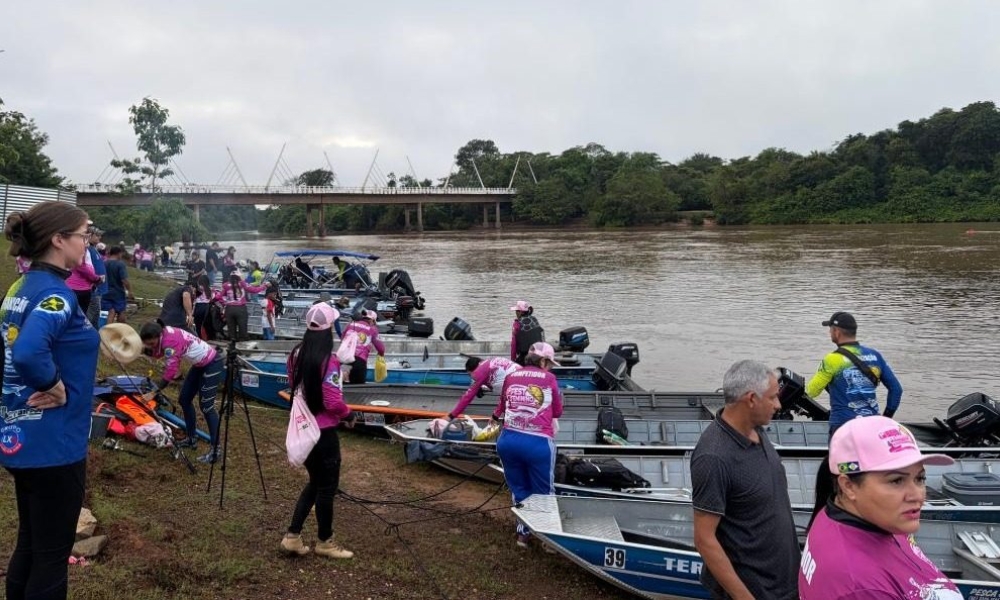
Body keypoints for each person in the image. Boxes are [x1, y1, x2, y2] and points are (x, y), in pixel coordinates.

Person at [0, 201, 100, 600]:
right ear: (59, 240)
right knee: (51, 559)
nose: (88, 243)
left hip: (19, 436)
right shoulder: (57, 297)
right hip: (55, 445)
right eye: (83, 235)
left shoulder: (18, 288)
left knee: (30, 545)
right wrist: (54, 383)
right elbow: (26, 352)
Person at [799, 416, 961, 599]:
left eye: (920, 478)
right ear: (848, 486)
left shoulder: (863, 517)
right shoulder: (861, 587)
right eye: (896, 480)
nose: (917, 495)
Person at [691, 360, 799, 600]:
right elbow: (704, 539)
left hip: (784, 583)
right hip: (755, 591)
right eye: (772, 398)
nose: (778, 405)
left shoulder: (757, 430)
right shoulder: (714, 457)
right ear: (751, 399)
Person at [279, 303, 355, 559]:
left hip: (304, 430)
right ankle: (325, 541)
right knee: (326, 488)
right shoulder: (329, 361)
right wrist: (348, 414)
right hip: (324, 434)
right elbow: (332, 401)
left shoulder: (295, 353)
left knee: (315, 482)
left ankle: (293, 536)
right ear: (329, 329)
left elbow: (294, 384)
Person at [493, 341, 563, 547]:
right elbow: (557, 412)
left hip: (508, 441)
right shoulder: (550, 378)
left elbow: (503, 405)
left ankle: (523, 535)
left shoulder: (511, 376)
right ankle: (548, 539)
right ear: (542, 361)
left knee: (519, 488)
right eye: (549, 362)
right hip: (537, 443)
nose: (550, 367)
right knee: (544, 491)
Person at [139, 321, 224, 463]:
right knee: (184, 400)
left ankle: (216, 450)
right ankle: (191, 439)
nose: (151, 346)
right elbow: (159, 352)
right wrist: (144, 350)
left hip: (212, 364)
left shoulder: (170, 341)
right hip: (199, 364)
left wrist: (154, 392)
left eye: (152, 343)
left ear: (158, 335)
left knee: (207, 407)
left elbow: (171, 371)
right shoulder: (163, 333)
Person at [806, 311, 903, 435]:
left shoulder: (832, 359)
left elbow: (812, 392)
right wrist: (885, 419)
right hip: (871, 426)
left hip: (843, 427)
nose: (829, 333)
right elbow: (896, 389)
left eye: (830, 329)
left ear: (837, 332)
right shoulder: (875, 355)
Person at [447, 356, 521, 420]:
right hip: (523, 376)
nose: (472, 378)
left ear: (473, 371)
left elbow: (468, 397)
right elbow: (499, 384)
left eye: (470, 375)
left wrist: (452, 415)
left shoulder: (478, 372)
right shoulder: (489, 362)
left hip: (515, 386)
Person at [341, 309, 385, 384]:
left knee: (343, 389)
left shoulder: (351, 324)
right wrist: (381, 355)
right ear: (373, 321)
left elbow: (342, 338)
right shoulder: (372, 329)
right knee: (358, 389)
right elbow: (381, 348)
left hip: (344, 360)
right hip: (359, 361)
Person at [220, 272, 266, 341]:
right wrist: (264, 286)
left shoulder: (225, 285)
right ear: (239, 277)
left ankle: (232, 344)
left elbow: (219, 296)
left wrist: (225, 303)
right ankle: (242, 343)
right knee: (242, 327)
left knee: (231, 329)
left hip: (229, 309)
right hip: (240, 309)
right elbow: (254, 290)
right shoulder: (242, 284)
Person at [101, 246, 134, 324]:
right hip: (118, 293)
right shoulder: (120, 264)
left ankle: (108, 331)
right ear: (119, 254)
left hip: (105, 293)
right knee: (121, 313)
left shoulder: (104, 263)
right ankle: (121, 330)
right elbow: (124, 280)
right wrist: (130, 291)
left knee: (111, 312)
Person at [509, 300, 544, 365]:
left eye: (516, 311)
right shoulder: (534, 320)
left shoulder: (517, 324)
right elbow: (541, 338)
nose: (516, 313)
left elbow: (513, 344)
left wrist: (512, 360)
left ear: (520, 312)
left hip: (524, 357)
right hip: (537, 357)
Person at [86, 226, 106, 327]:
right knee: (91, 314)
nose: (99, 237)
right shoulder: (87, 249)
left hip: (98, 287)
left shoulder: (94, 249)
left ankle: (92, 334)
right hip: (94, 288)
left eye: (100, 235)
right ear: (89, 235)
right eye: (97, 235)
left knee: (96, 313)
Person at [191, 274, 218, 341]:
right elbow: (213, 298)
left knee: (198, 324)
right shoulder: (210, 289)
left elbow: (193, 298)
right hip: (207, 307)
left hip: (198, 307)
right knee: (207, 323)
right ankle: (209, 337)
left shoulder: (197, 289)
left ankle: (199, 337)